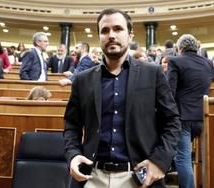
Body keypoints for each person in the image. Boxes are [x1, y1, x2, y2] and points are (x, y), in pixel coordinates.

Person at [63, 8, 181, 188]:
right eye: (105, 30)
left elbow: (172, 121)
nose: (111, 35)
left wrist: (160, 162)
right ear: (99, 37)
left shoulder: (153, 74)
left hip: (139, 177)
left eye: (118, 29)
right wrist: (72, 154)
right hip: (91, 177)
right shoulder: (82, 79)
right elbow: (71, 125)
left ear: (130, 35)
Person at [167, 34, 214, 188]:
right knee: (204, 157)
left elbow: (170, 93)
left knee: (182, 158)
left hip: (182, 118)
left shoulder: (175, 61)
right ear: (197, 47)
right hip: (204, 117)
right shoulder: (208, 63)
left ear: (180, 48)